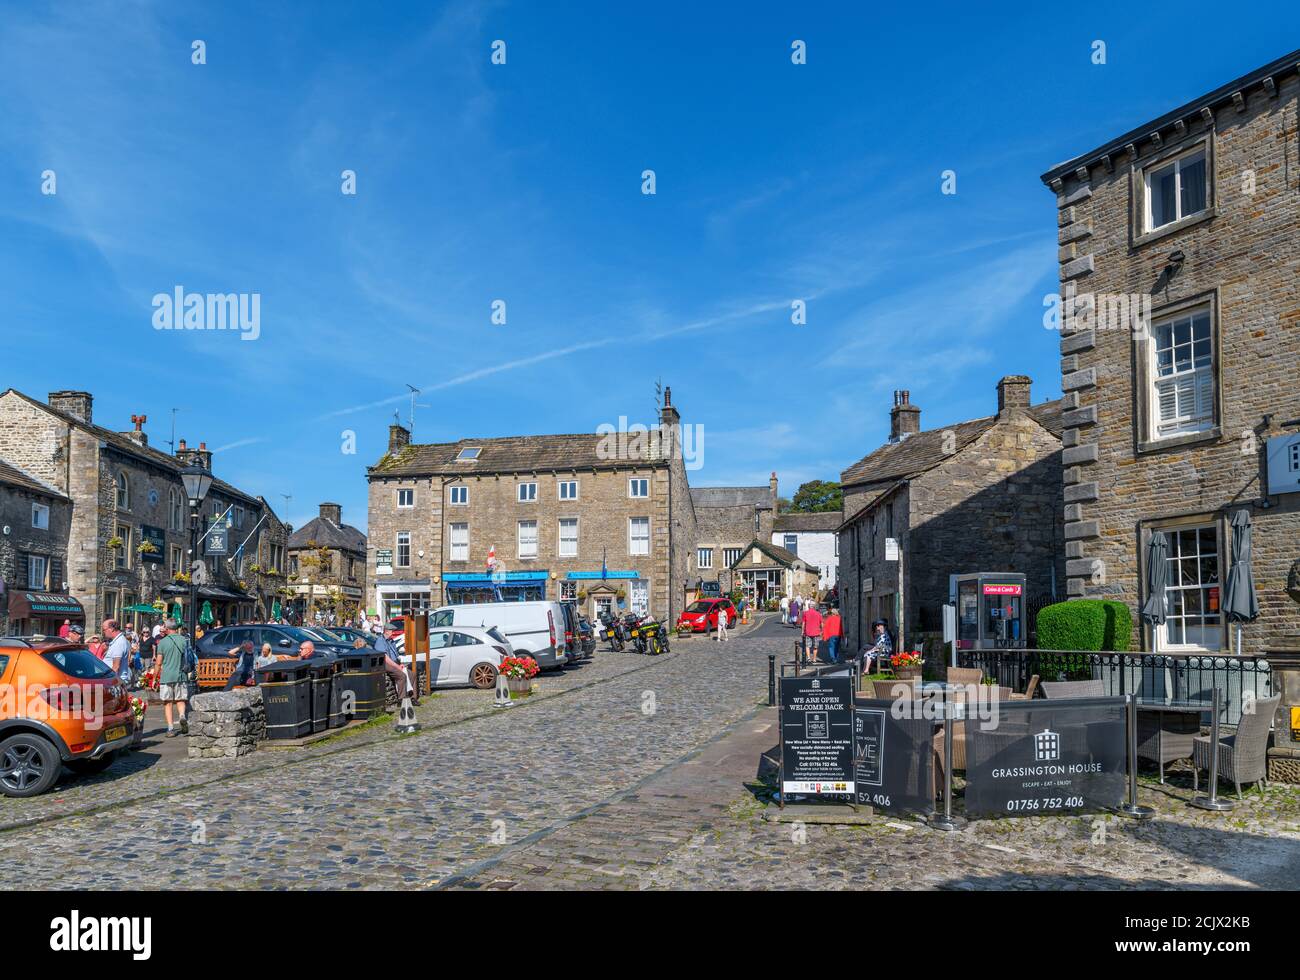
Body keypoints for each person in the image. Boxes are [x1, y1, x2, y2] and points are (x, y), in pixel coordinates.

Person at [153, 618, 190, 737]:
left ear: (168, 628)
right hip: (181, 675)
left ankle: (170, 728)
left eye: (164, 627)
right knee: (181, 700)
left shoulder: (163, 642)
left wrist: (154, 678)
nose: (163, 628)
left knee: (168, 703)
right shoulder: (184, 640)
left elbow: (158, 663)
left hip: (167, 676)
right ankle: (182, 716)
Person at [373, 633, 419, 706]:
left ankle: (413, 698)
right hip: (385, 664)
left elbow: (396, 655)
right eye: (392, 631)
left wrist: (400, 664)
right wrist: (397, 666)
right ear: (387, 631)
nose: (393, 633)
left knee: (412, 675)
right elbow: (385, 658)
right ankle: (401, 699)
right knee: (401, 675)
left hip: (395, 662)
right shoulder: (380, 641)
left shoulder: (391, 641)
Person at [102, 619, 132, 684]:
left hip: (116, 682)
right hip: (115, 680)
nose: (103, 632)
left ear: (112, 629)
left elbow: (116, 667)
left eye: (104, 630)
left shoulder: (119, 643)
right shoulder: (118, 640)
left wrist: (107, 682)